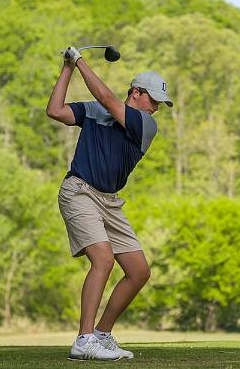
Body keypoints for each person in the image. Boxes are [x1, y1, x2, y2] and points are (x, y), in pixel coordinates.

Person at [46, 46, 172, 361]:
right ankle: (83, 340)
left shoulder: (145, 125)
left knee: (139, 271)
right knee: (103, 259)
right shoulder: (95, 111)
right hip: (79, 191)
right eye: (153, 100)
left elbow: (106, 99)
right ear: (136, 92)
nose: (156, 108)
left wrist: (80, 60)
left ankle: (102, 334)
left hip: (109, 201)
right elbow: (55, 111)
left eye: (159, 103)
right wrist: (67, 68)